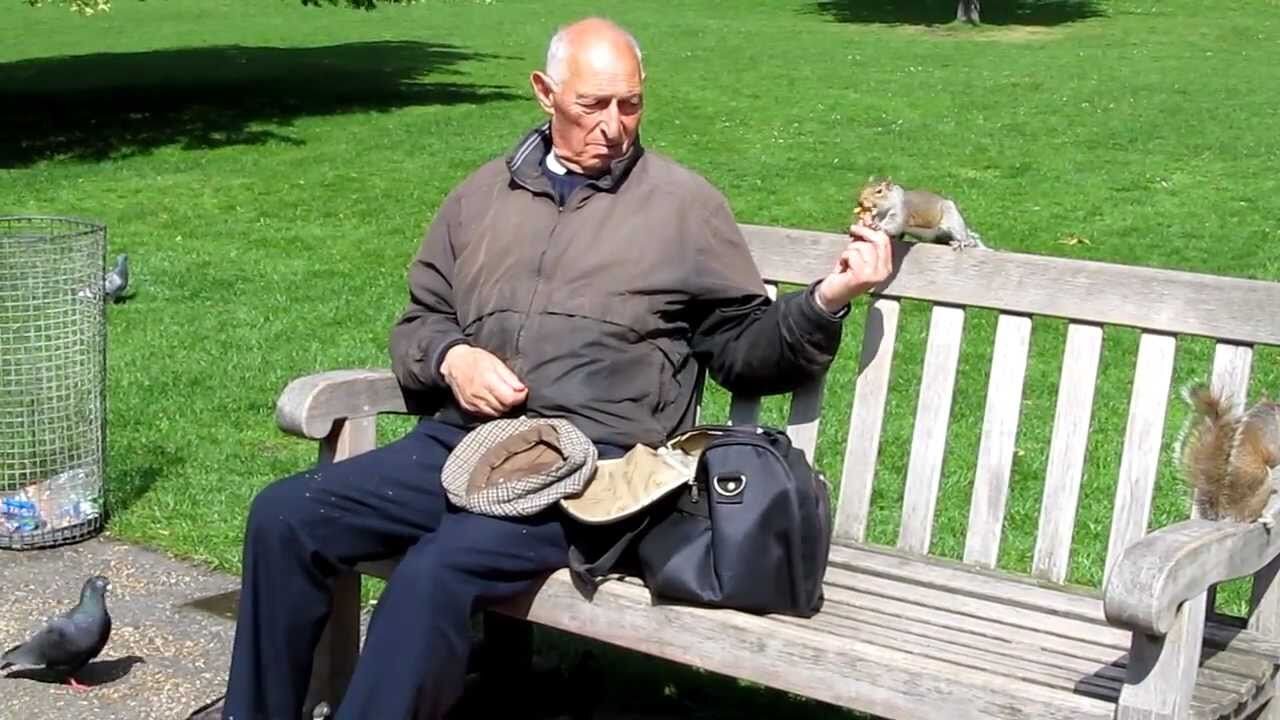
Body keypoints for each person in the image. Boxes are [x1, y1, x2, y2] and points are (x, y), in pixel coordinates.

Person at [196, 15, 893, 720]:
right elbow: (421, 319)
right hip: (463, 446)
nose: (614, 125)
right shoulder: (482, 197)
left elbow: (744, 350)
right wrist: (452, 356)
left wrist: (829, 298)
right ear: (545, 93)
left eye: (631, 104)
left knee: (436, 573)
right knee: (284, 516)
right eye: (593, 104)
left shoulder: (683, 207)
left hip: (592, 472)